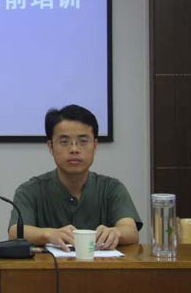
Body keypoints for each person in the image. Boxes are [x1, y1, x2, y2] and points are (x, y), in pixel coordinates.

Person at [8, 104, 142, 251]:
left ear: (95, 145)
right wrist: (48, 234)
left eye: (83, 141)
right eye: (64, 142)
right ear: (50, 147)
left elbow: (131, 231)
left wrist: (116, 232)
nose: (74, 149)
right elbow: (15, 232)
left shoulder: (111, 188)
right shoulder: (30, 190)